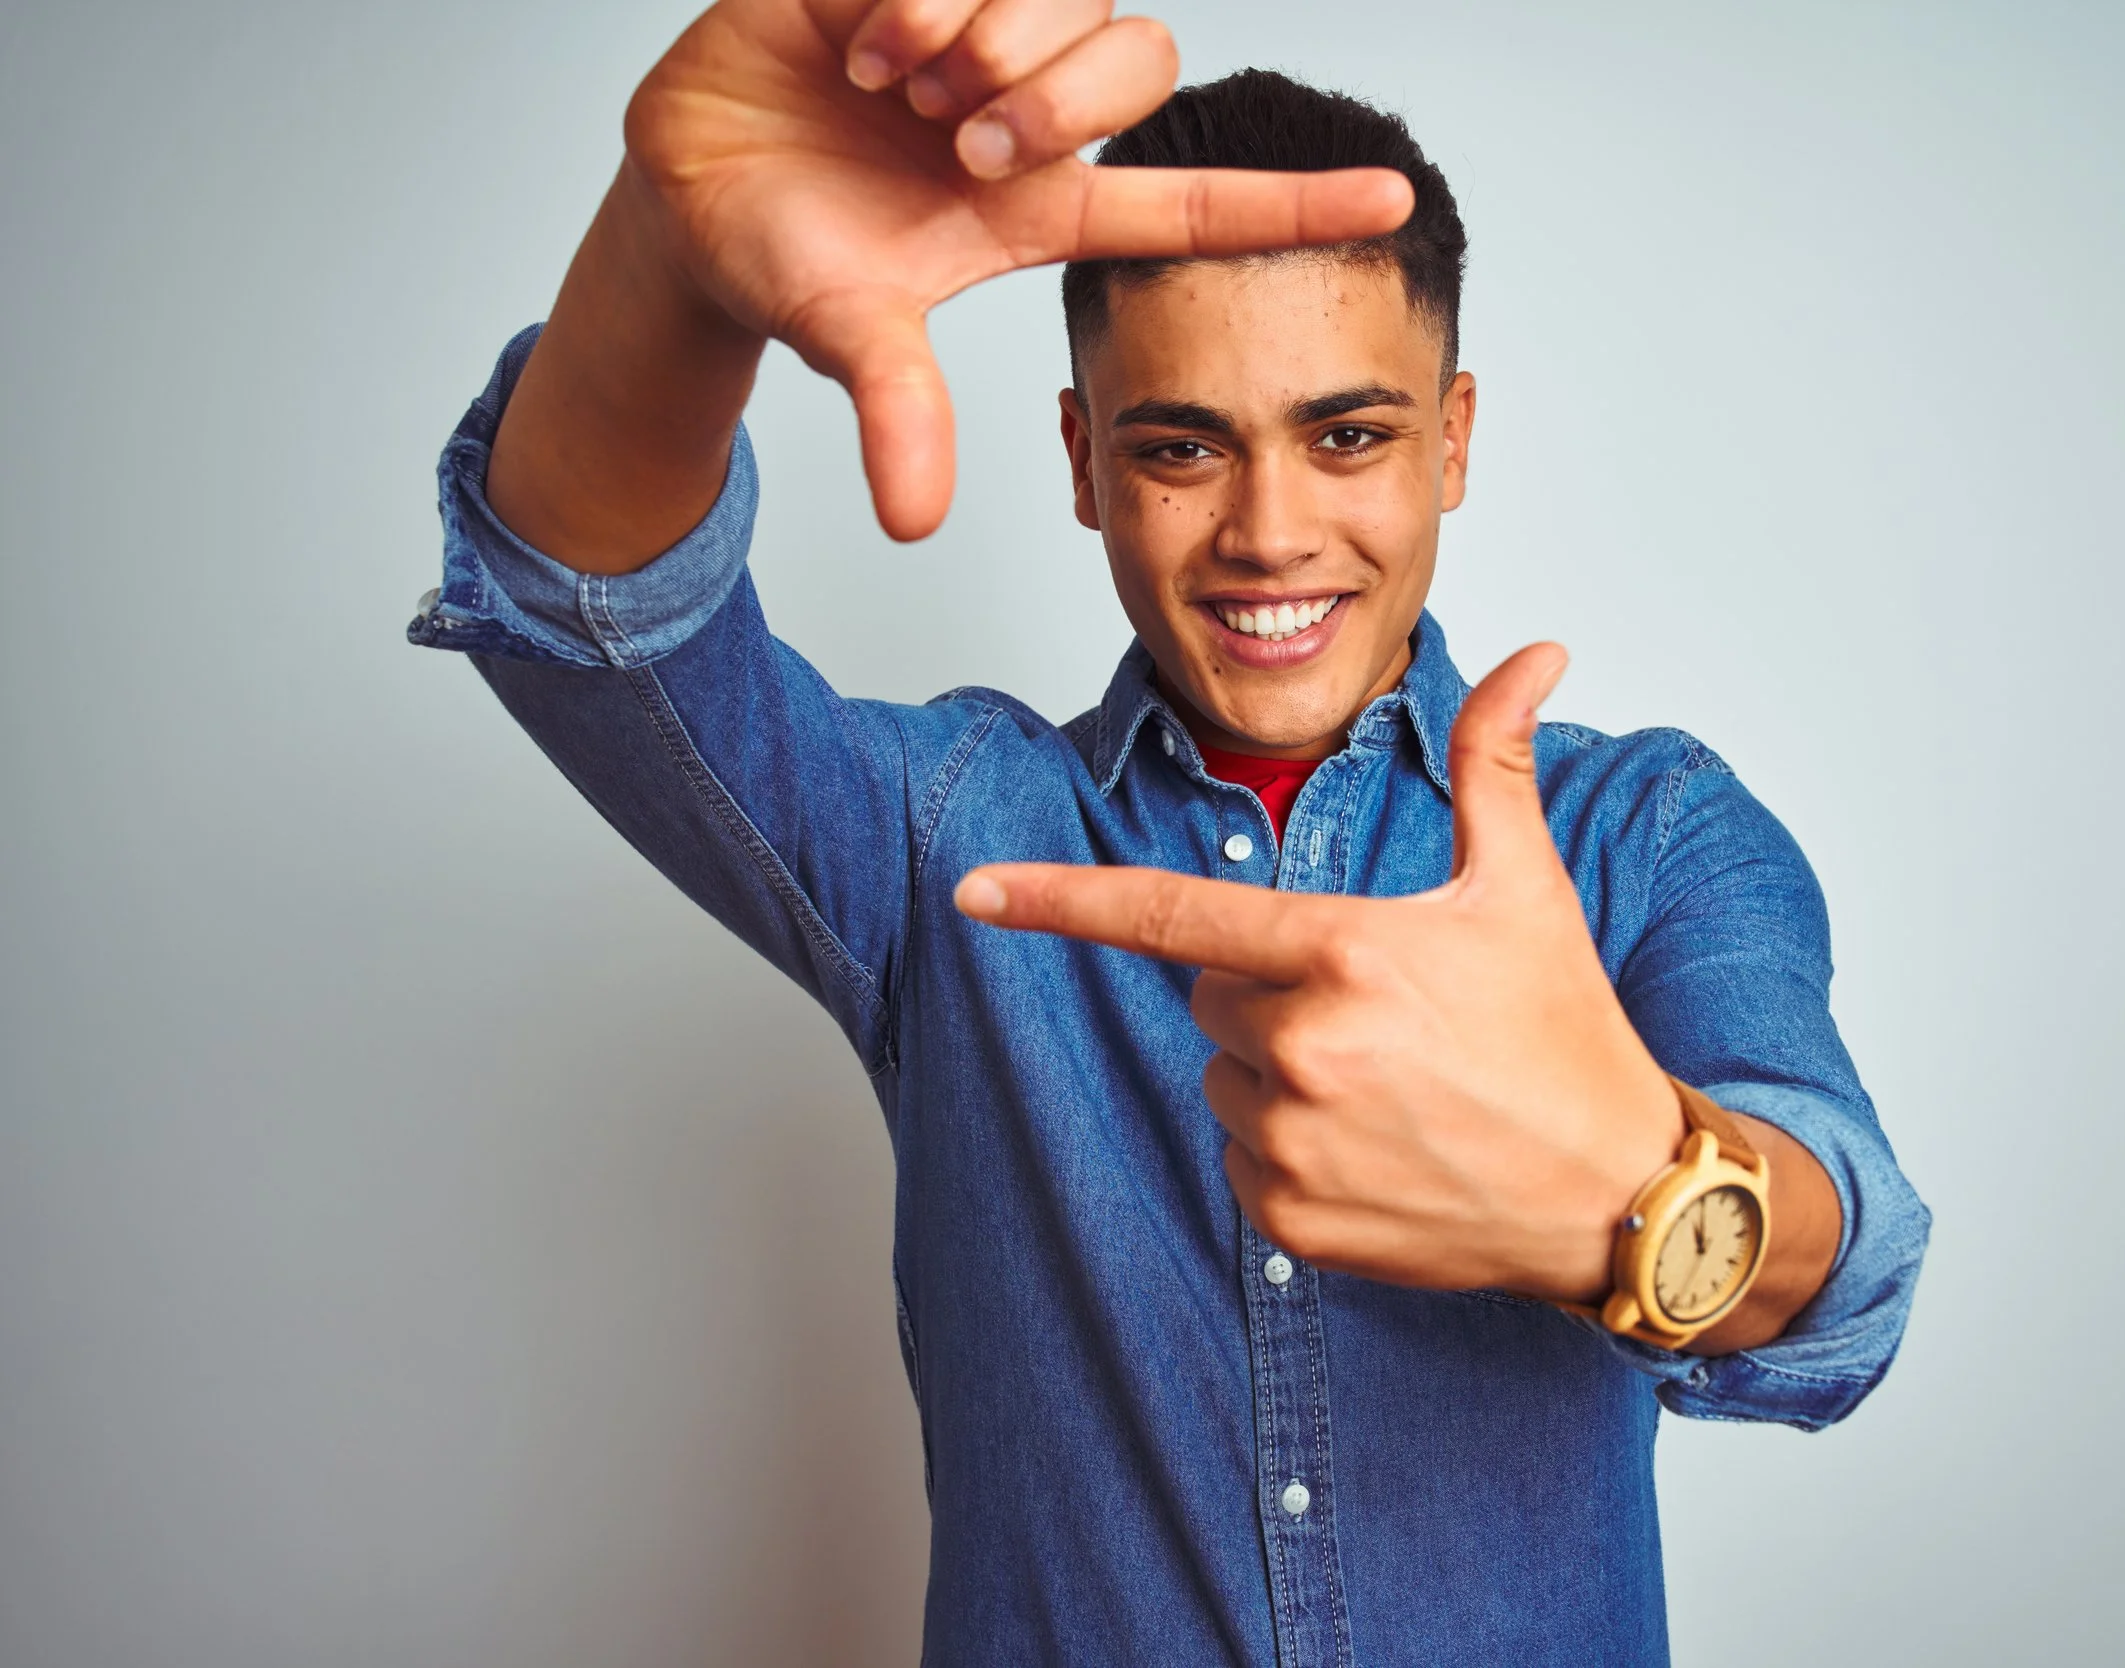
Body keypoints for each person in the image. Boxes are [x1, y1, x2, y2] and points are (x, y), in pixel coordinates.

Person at [410, 1, 1931, 1659]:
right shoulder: (945, 841)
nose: (1270, 535)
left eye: (1347, 435)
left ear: (1454, 441)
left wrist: (1632, 1195)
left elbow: (1844, 1270)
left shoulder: (1645, 830)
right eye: (1182, 448)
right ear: (1081, 461)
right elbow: (593, 607)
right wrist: (667, 260)